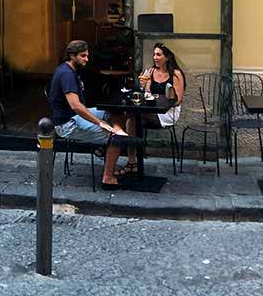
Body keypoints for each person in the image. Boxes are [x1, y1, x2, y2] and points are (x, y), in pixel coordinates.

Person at [48, 40, 127, 190]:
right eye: (83, 56)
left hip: (73, 116)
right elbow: (76, 106)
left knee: (113, 112)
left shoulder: (68, 70)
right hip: (68, 123)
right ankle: (108, 178)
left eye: (87, 56)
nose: (86, 59)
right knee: (116, 138)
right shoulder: (67, 75)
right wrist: (99, 123)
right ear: (72, 56)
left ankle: (105, 147)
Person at [123, 42, 185, 172]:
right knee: (131, 120)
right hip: (150, 111)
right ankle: (132, 161)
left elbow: (178, 100)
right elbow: (147, 95)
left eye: (158, 55)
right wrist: (143, 85)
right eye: (154, 55)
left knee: (131, 114)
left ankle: (110, 145)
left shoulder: (176, 74)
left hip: (168, 113)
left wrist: (163, 100)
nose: (155, 57)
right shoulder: (150, 72)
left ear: (167, 57)